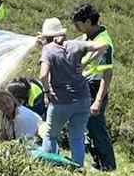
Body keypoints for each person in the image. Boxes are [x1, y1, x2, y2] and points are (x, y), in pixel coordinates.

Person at [36, 17, 112, 167]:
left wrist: (46, 91)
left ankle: (48, 165)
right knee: (77, 136)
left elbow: (43, 75)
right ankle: (78, 168)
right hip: (83, 99)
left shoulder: (47, 50)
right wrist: (86, 62)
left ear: (46, 36)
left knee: (51, 135)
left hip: (61, 101)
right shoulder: (75, 44)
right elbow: (103, 46)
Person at [71, 2, 117, 171]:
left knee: (96, 127)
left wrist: (98, 100)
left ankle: (108, 165)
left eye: (78, 23)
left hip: (96, 86)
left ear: (89, 22)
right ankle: (98, 162)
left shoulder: (104, 43)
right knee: (88, 126)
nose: (76, 27)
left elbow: (107, 75)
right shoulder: (87, 37)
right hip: (85, 84)